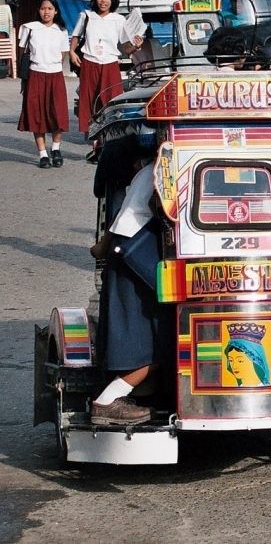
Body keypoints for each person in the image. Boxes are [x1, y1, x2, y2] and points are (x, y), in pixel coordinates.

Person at [89, 138, 166, 426]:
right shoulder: (157, 173)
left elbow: (114, 228)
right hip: (136, 264)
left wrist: (99, 248)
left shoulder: (147, 173)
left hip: (130, 260)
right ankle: (107, 401)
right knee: (157, 343)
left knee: (149, 341)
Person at [70, 0, 141, 162]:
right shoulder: (86, 16)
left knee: (110, 103)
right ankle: (95, 145)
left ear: (112, 0)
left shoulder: (119, 20)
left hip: (110, 64)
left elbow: (125, 46)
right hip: (90, 62)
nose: (103, 1)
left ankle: (107, 144)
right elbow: (76, 36)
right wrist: (71, 52)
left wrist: (136, 47)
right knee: (91, 102)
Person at [17, 0, 70, 168]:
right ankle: (42, 154)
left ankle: (56, 148)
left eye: (49, 9)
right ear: (38, 10)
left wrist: (52, 66)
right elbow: (22, 52)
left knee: (58, 113)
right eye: (43, 8)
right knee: (36, 114)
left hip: (55, 75)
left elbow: (63, 55)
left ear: (56, 11)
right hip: (35, 75)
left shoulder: (61, 31)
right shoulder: (29, 28)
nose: (46, 12)